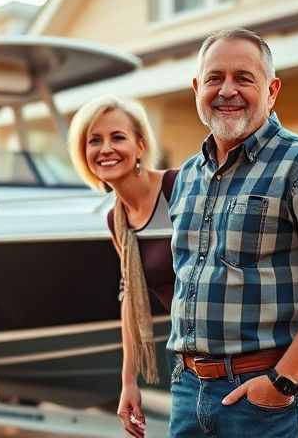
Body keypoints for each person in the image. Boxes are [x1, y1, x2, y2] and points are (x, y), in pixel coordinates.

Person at [166, 28, 298, 437]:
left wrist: (283, 380)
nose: (227, 90)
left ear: (272, 89)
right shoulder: (189, 174)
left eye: (243, 78)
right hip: (189, 389)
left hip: (268, 398)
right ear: (196, 88)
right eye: (213, 78)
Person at [68, 95, 176, 438]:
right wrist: (128, 381)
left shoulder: (180, 187)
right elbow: (130, 294)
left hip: (237, 353)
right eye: (94, 140)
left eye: (118, 137)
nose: (106, 149)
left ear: (140, 145)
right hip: (189, 360)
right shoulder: (117, 220)